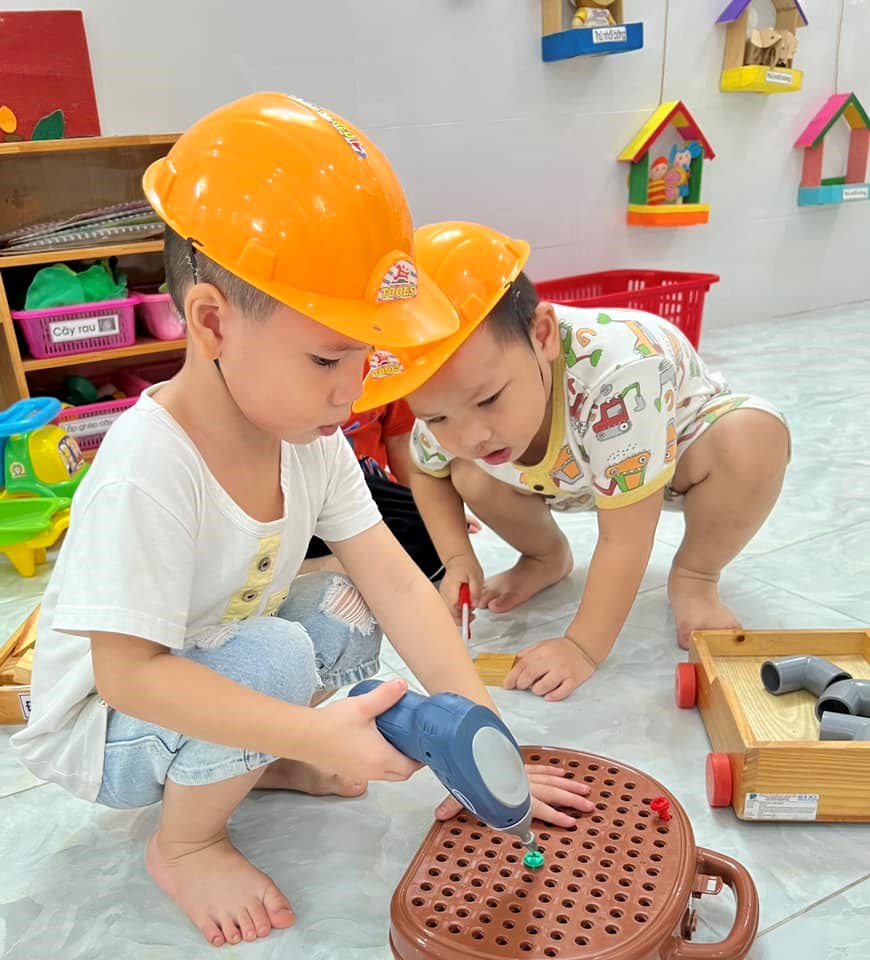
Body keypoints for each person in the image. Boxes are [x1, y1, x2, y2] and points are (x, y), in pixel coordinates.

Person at [11, 101, 592, 947]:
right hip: (105, 729)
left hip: (211, 658)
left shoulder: (308, 440)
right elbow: (130, 676)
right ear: (211, 322)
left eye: (364, 356)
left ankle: (262, 757)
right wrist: (315, 729)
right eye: (326, 358)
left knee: (347, 603)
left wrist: (483, 733)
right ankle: (187, 842)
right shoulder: (148, 465)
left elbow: (397, 585)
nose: (351, 392)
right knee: (280, 655)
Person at [355, 221, 790, 702]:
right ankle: (545, 557)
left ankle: (695, 577)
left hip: (675, 451)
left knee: (754, 438)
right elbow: (427, 469)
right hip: (565, 472)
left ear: (542, 335)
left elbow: (625, 536)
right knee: (465, 471)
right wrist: (457, 557)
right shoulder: (453, 400)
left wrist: (581, 647)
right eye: (437, 417)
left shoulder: (620, 375)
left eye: (489, 399)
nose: (471, 434)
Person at [303, 398, 480, 580]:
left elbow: (399, 440)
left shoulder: (387, 381)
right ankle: (311, 567)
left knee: (432, 538)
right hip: (310, 491)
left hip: (368, 490)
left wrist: (427, 509)